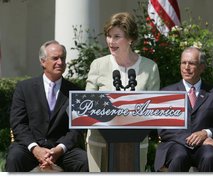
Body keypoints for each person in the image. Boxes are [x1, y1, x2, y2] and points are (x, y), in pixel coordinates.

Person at [85, 12, 160, 172]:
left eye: (117, 36)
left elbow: (155, 108)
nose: (111, 42)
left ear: (130, 38)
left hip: (136, 143)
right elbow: (86, 105)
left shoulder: (150, 67)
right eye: (109, 36)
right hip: (100, 141)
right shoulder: (98, 65)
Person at [5, 40, 89, 172]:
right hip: (30, 147)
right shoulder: (24, 88)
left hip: (61, 150)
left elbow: (77, 129)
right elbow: (18, 123)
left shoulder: (75, 91)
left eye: (62, 58)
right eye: (55, 58)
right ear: (42, 61)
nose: (60, 62)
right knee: (14, 157)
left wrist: (59, 149)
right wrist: (35, 149)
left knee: (83, 160)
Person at [154, 46, 213, 172]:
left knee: (210, 156)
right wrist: (193, 139)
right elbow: (163, 130)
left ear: (202, 67)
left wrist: (206, 133)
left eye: (191, 63)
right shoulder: (167, 93)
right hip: (175, 146)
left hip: (206, 147)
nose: (186, 67)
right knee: (179, 156)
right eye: (183, 63)